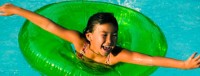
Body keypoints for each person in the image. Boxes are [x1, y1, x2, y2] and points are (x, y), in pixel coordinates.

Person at [0, 3, 199, 70]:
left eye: (114, 35)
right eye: (104, 35)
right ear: (89, 35)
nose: (110, 40)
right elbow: (48, 25)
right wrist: (17, 9)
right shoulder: (79, 42)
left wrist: (183, 65)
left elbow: (149, 59)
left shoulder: (115, 56)